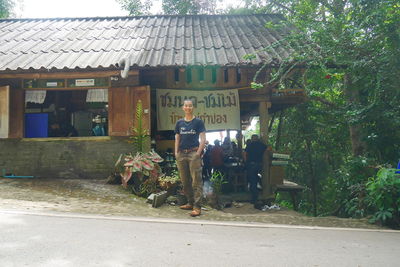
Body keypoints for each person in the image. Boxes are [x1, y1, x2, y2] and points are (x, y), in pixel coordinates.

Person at [175, 99, 206, 217]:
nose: (188, 107)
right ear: (183, 108)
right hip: (181, 154)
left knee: (196, 181)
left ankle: (197, 207)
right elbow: (177, 138)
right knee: (185, 180)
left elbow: (203, 139)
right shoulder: (179, 123)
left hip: (193, 153)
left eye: (190, 106)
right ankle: (190, 202)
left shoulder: (198, 122)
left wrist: (198, 153)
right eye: (186, 106)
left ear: (193, 108)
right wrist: (176, 152)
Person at [243, 134, 267, 207]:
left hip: (251, 164)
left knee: (252, 180)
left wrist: (245, 162)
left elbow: (244, 154)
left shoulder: (250, 145)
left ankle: (254, 199)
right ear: (258, 139)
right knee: (258, 177)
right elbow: (268, 150)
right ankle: (263, 190)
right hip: (260, 165)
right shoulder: (262, 145)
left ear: (252, 139)